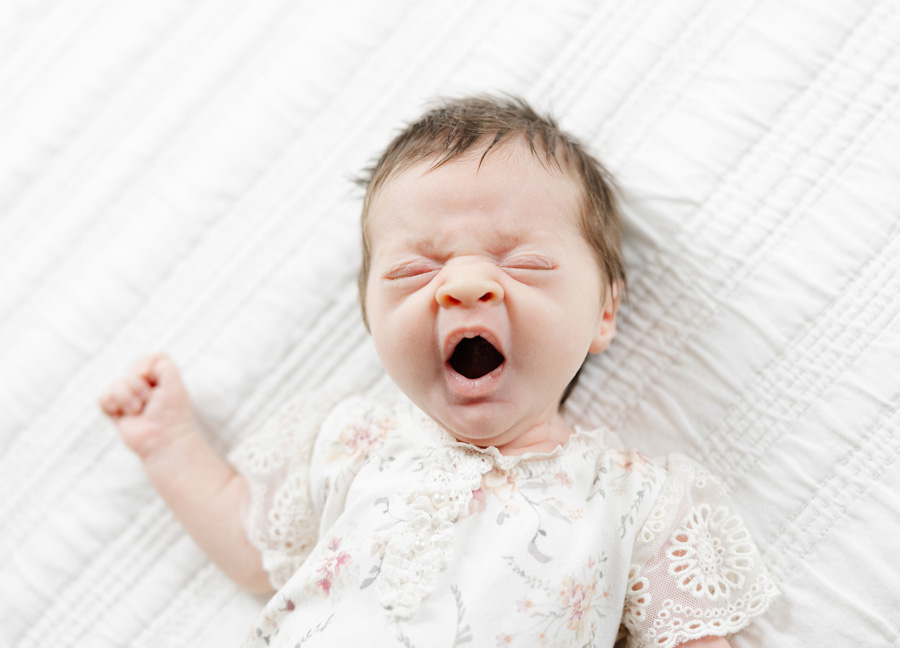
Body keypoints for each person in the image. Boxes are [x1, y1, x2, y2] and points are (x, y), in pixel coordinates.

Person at [100, 95, 778, 647]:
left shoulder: (634, 504)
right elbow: (250, 544)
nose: (464, 284)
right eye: (412, 272)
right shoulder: (350, 444)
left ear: (604, 310)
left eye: (525, 263)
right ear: (369, 319)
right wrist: (169, 445)